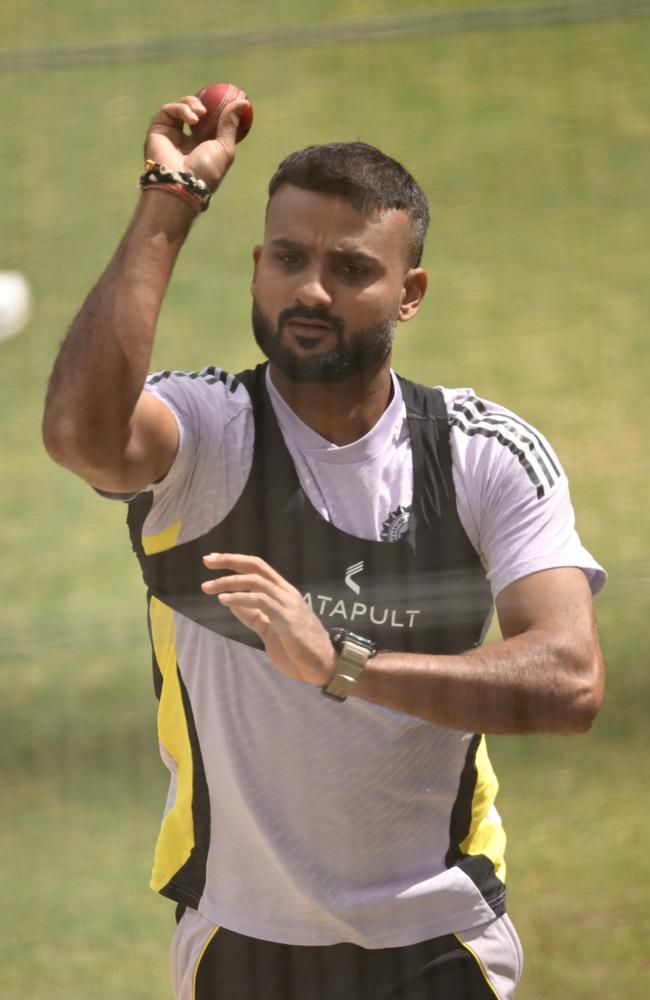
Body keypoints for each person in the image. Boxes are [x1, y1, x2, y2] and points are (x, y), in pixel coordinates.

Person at [42, 91, 606, 1000]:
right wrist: (169, 198)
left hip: (441, 936)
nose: (311, 290)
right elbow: (79, 434)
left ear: (408, 293)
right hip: (241, 940)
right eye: (290, 260)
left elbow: (570, 682)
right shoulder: (206, 437)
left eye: (350, 268)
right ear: (257, 267)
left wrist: (341, 664)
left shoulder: (478, 453)